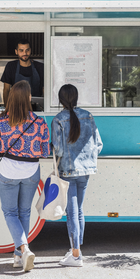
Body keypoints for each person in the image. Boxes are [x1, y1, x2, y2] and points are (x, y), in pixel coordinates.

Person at [0, 80, 51, 271]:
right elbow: (44, 151)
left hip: (8, 171)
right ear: (29, 98)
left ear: (11, 98)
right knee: (24, 212)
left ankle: (23, 248)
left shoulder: (0, 120)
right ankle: (19, 255)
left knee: (10, 213)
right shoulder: (39, 122)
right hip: (31, 171)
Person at [50, 84, 103, 267]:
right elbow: (98, 144)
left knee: (71, 213)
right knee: (79, 210)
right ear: (77, 97)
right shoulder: (88, 116)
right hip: (86, 170)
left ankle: (75, 255)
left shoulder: (58, 119)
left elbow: (59, 149)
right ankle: (76, 250)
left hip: (68, 171)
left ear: (61, 100)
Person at [0, 38, 44, 106]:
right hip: (16, 107)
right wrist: (7, 109)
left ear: (30, 50)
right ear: (16, 51)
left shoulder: (40, 67)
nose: (25, 53)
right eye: (21, 50)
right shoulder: (11, 66)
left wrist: (44, 107)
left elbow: (44, 89)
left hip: (36, 107)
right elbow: (6, 90)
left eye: (27, 50)